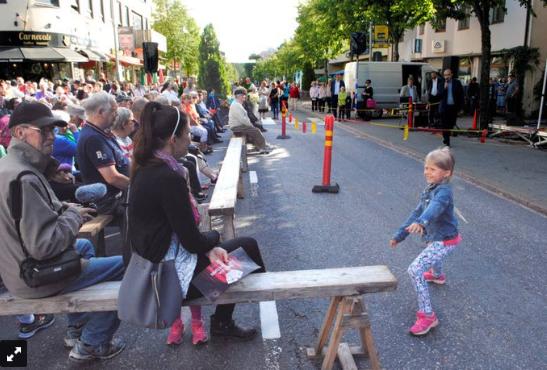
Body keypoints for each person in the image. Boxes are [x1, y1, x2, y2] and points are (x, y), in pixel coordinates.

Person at [128, 102, 266, 344]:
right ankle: (225, 321)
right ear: (172, 139)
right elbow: (192, 242)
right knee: (247, 249)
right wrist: (213, 239)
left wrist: (209, 246)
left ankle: (225, 317)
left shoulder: (144, 168)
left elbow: (183, 235)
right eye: (187, 134)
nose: (190, 139)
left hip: (151, 267)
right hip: (166, 282)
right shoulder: (168, 177)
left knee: (226, 251)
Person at [0, 101, 125, 361]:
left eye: (53, 131)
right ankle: (92, 343)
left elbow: (29, 217)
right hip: (34, 277)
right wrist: (72, 215)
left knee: (84, 247)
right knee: (128, 265)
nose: (51, 137)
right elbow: (44, 246)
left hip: (15, 267)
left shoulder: (10, 168)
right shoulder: (24, 178)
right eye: (44, 130)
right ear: (20, 132)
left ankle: (77, 326)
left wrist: (64, 208)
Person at [390, 147, 461, 336]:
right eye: (426, 168)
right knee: (431, 246)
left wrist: (422, 222)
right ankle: (438, 275)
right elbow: (416, 212)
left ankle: (428, 316)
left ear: (446, 173)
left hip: (446, 239)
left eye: (433, 169)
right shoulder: (429, 189)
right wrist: (400, 235)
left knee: (415, 270)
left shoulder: (444, 192)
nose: (427, 172)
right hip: (437, 237)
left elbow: (434, 208)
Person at [77, 92, 130, 215]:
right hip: (110, 202)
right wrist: (139, 188)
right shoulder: (93, 138)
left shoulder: (101, 133)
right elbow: (112, 177)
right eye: (113, 111)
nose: (116, 115)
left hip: (118, 197)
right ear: (101, 112)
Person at [229, 88, 270, 154]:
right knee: (256, 131)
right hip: (237, 127)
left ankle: (260, 146)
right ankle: (262, 147)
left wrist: (250, 124)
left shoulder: (237, 104)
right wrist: (250, 125)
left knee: (254, 130)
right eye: (243, 95)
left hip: (238, 126)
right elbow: (243, 119)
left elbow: (244, 118)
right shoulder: (236, 105)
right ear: (239, 96)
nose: (245, 97)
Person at [439, 69, 464, 147]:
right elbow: (440, 95)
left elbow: (461, 96)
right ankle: (447, 141)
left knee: (451, 124)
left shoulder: (457, 83)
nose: (446, 77)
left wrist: (461, 108)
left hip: (453, 108)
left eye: (448, 75)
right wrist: (444, 88)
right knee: (445, 125)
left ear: (451, 75)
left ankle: (446, 137)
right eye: (445, 75)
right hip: (445, 108)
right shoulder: (441, 83)